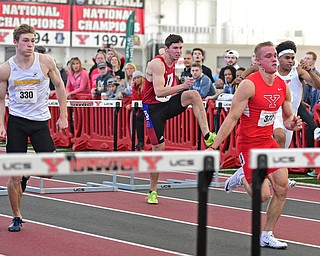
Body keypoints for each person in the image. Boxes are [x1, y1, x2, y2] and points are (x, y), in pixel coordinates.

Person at [210, 41, 302, 249]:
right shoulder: (249, 85)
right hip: (249, 145)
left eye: (274, 56)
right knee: (262, 196)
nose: (273, 59)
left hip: (268, 143)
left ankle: (267, 234)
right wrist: (214, 146)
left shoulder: (282, 86)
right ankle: (242, 175)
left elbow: (287, 119)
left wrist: (293, 124)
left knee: (282, 188)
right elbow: (232, 118)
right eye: (268, 56)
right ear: (258, 61)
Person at [0, 24, 68, 232]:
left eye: (33, 40)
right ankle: (17, 217)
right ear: (16, 43)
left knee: (50, 171)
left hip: (40, 122)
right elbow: (1, 98)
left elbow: (59, 86)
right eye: (26, 41)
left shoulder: (45, 61)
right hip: (17, 122)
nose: (30, 45)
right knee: (14, 176)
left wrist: (63, 115)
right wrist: (1, 124)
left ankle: (28, 171)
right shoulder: (6, 68)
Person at [141, 34, 216, 204]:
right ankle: (153, 190)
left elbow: (168, 88)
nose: (179, 51)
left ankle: (207, 135)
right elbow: (159, 91)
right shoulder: (157, 64)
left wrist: (183, 88)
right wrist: (182, 85)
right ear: (167, 49)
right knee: (158, 149)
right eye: (175, 48)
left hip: (167, 104)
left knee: (194, 95)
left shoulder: (172, 60)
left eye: (181, 48)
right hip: (152, 109)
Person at [126, 71, 145, 149]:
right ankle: (140, 141)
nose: (137, 80)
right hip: (142, 108)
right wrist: (133, 88)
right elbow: (135, 99)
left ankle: (141, 141)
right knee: (137, 119)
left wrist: (131, 105)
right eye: (135, 78)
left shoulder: (144, 87)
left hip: (148, 108)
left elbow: (143, 100)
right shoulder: (136, 88)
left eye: (138, 77)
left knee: (139, 119)